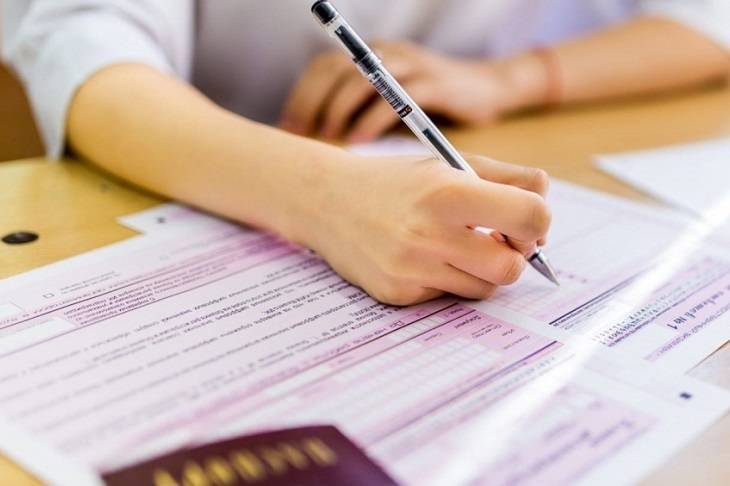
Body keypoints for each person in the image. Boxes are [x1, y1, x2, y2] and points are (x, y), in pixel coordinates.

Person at [3, 1, 729, 305]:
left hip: (470, 136)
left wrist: (509, 79)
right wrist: (319, 197)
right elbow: (82, 52)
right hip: (206, 174)